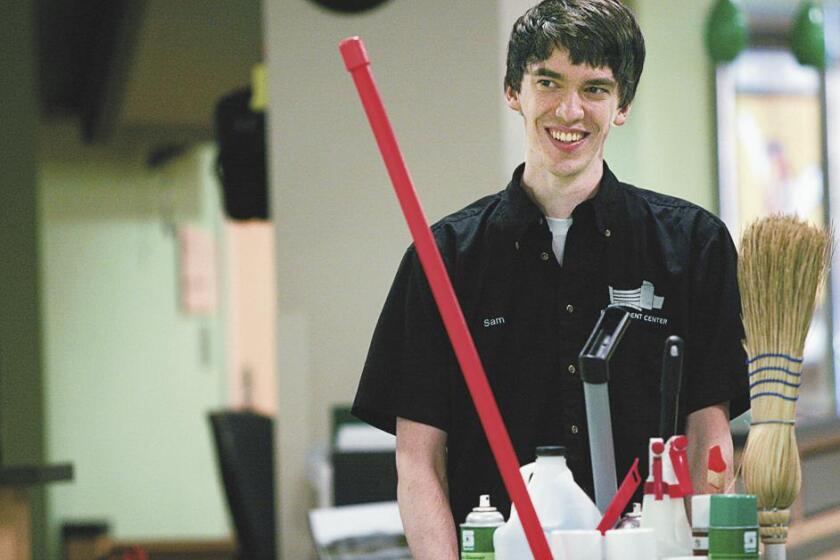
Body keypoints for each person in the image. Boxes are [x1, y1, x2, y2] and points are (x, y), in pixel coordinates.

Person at [352, 1, 749, 558]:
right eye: (548, 81)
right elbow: (419, 459)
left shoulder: (693, 246)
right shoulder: (443, 259)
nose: (570, 110)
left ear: (623, 105)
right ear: (514, 90)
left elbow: (710, 435)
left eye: (595, 88)